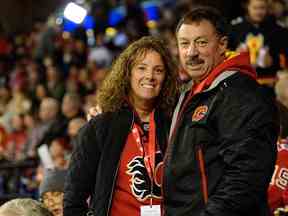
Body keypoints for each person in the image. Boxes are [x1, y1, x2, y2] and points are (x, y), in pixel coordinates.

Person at [163, 6, 279, 216]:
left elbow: (245, 176)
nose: (192, 53)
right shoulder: (190, 91)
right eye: (184, 44)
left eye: (201, 42)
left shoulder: (240, 94)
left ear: (222, 45)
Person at [63, 36, 178, 216]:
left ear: (166, 77)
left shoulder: (175, 124)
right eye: (141, 68)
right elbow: (73, 199)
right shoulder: (100, 127)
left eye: (158, 70)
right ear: (127, 73)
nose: (150, 76)